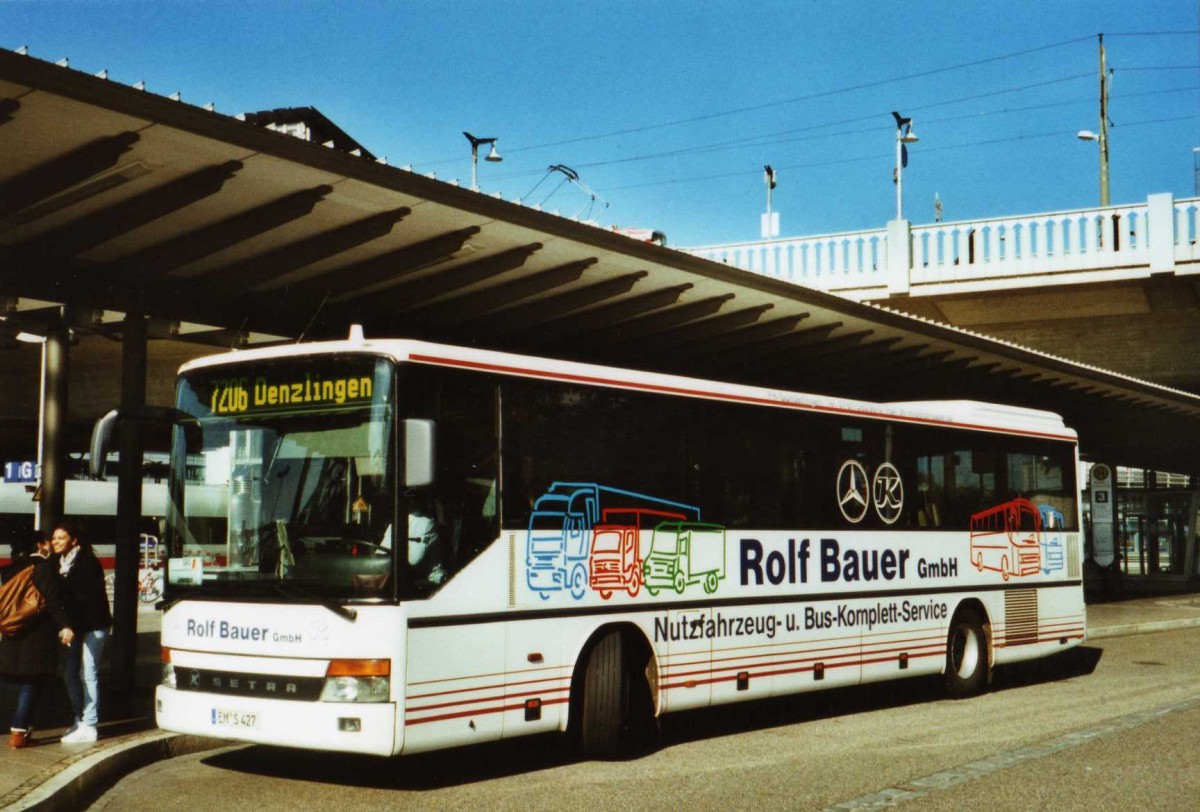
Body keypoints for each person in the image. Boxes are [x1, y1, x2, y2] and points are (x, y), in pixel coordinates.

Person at [0, 535, 74, 749]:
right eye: (47, 542)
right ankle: (19, 731)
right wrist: (64, 625)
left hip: (13, 631)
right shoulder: (42, 568)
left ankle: (25, 729)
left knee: (27, 682)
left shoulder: (8, 569)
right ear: (40, 545)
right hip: (36, 635)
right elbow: (52, 600)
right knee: (31, 682)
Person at [49, 522, 111, 745]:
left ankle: (90, 725)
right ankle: (81, 719)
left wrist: (69, 627)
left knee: (88, 673)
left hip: (93, 627)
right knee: (72, 673)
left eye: (61, 538)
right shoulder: (59, 561)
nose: (55, 541)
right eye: (54, 537)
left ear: (74, 540)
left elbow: (85, 601)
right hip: (78, 626)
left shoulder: (87, 563)